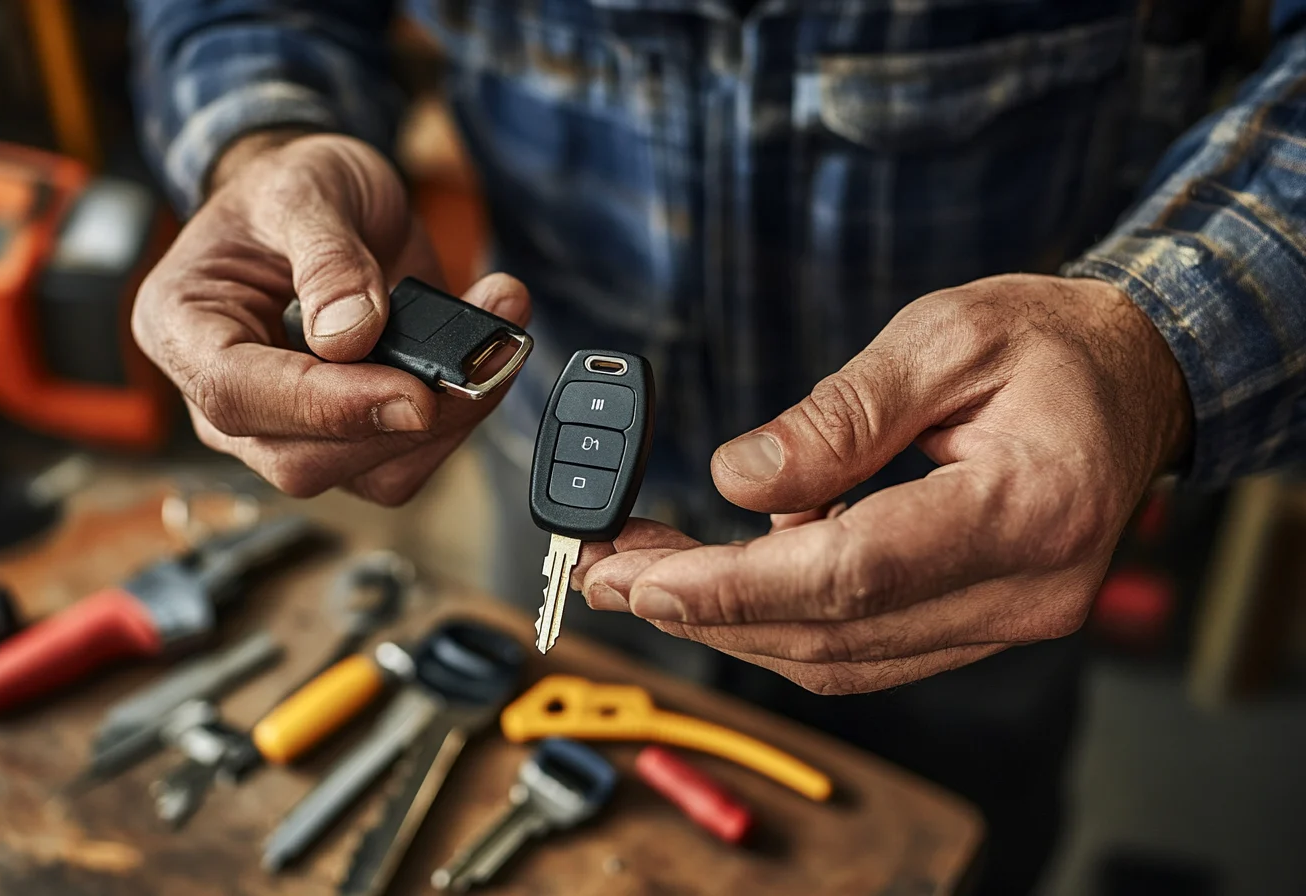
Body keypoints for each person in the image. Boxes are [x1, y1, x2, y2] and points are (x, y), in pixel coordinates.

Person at [125, 2, 1306, 892]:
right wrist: (261, 136)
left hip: (985, 505)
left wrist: (1150, 344)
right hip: (549, 485)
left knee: (951, 850)